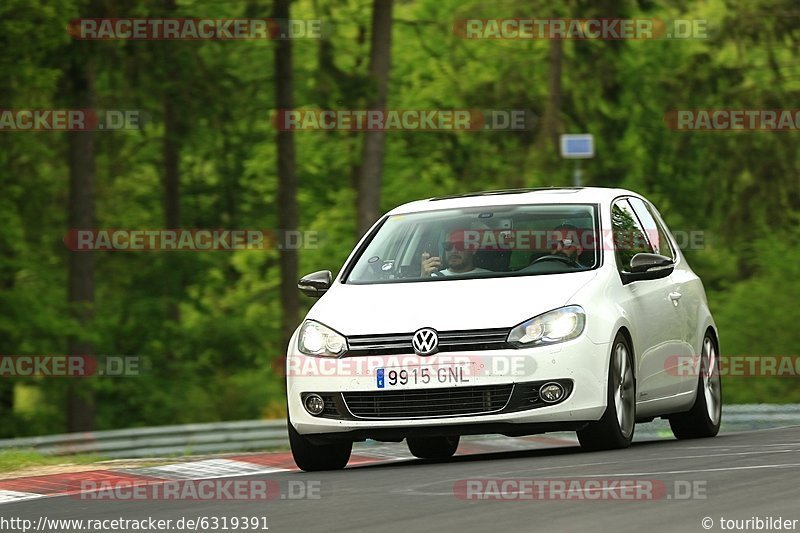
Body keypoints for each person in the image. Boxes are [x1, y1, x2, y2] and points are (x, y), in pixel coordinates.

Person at [421, 231, 491, 277]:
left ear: (473, 249)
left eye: (460, 245)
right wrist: (423, 278)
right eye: (448, 246)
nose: (453, 251)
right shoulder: (433, 277)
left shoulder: (489, 277)